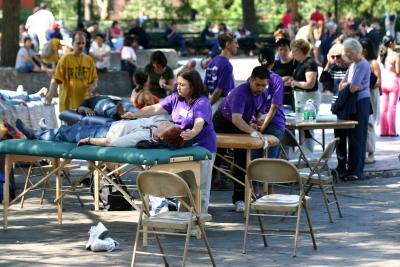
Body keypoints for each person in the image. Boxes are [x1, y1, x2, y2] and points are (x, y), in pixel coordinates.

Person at [121, 69, 216, 213]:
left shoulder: (201, 102)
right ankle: (184, 222)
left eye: (183, 85)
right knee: (183, 188)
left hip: (202, 148)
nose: (178, 87)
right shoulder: (176, 98)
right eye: (177, 83)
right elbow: (154, 108)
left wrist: (193, 132)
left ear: (193, 86)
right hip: (181, 147)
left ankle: (197, 225)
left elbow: (199, 122)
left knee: (198, 188)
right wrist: (134, 115)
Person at [213, 66, 270, 212]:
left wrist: (257, 122)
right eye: (257, 84)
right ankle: (203, 198)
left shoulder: (263, 94)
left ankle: (240, 199)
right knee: (215, 161)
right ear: (250, 80)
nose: (261, 88)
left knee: (242, 161)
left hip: (241, 124)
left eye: (264, 85)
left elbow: (258, 114)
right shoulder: (240, 92)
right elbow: (236, 119)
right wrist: (252, 132)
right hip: (223, 122)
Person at [15, 117, 183, 148]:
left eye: (168, 125)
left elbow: (112, 142)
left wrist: (89, 140)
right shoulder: (155, 126)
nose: (167, 122)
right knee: (71, 129)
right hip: (111, 125)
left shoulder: (143, 136)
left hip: (103, 133)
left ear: (162, 135)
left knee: (68, 133)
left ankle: (36, 134)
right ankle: (47, 131)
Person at [336, 38, 371, 181]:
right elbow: (342, 85)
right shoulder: (352, 66)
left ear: (355, 51)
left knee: (358, 137)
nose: (347, 55)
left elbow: (353, 87)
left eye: (348, 52)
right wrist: (352, 85)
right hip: (352, 103)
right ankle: (349, 168)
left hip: (361, 103)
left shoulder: (362, 64)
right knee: (350, 135)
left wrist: (353, 85)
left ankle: (356, 171)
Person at [45, 31, 98, 112]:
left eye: (83, 43)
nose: (81, 46)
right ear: (73, 44)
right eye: (78, 43)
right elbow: (56, 79)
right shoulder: (65, 59)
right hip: (68, 104)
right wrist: (50, 94)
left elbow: (94, 81)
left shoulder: (89, 60)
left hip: (85, 105)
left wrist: (92, 86)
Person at [290, 39, 320, 152]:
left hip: (309, 100)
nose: (292, 53)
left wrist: (295, 83)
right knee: (302, 127)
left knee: (308, 126)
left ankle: (309, 152)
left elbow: (310, 84)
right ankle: (303, 151)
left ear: (301, 51)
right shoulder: (300, 63)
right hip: (300, 98)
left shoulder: (310, 63)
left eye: (294, 51)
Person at [256, 47, 286, 158]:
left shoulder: (252, 78)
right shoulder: (277, 79)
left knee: (255, 163)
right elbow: (274, 106)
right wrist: (264, 126)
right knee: (270, 164)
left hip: (256, 124)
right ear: (273, 62)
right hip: (274, 123)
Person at [204, 32, 238, 113]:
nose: (237, 46)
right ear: (227, 44)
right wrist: (208, 106)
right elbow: (218, 91)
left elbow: (205, 86)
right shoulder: (227, 65)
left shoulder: (212, 61)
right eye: (235, 43)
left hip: (212, 102)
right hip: (221, 106)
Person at [360, 38, 381, 164]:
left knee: (370, 123)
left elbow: (378, 82)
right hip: (363, 93)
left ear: (365, 50)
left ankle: (371, 152)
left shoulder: (373, 63)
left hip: (371, 93)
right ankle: (364, 150)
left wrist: (365, 84)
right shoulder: (358, 62)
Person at [379, 35, 400, 137]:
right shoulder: (396, 55)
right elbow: (398, 71)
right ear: (391, 43)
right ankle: (392, 131)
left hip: (383, 83)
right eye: (395, 42)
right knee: (393, 107)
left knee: (383, 108)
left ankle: (383, 131)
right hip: (393, 82)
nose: (396, 44)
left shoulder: (381, 55)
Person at [272, 38, 295, 110]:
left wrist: (280, 80)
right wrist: (284, 79)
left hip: (292, 96)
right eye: (281, 49)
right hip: (278, 97)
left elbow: (294, 79)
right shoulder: (275, 64)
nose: (283, 52)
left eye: (285, 49)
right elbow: (272, 80)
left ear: (290, 50)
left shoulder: (294, 63)